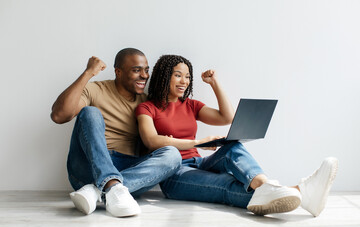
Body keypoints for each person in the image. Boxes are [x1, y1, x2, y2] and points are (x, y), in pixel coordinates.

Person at [135, 54, 338, 216]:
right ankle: (301, 192)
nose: (184, 81)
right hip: (175, 175)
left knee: (232, 147)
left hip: (198, 162)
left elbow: (227, 117)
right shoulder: (147, 107)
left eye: (188, 76)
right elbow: (151, 141)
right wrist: (196, 142)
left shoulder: (190, 105)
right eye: (178, 75)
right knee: (226, 184)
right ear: (164, 76)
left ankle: (267, 186)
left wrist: (214, 82)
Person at [50, 48, 182, 217]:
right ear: (118, 72)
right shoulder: (96, 89)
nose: (144, 75)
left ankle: (96, 190)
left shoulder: (147, 103)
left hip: (125, 169)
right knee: (90, 112)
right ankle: (111, 185)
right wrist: (88, 72)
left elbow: (151, 143)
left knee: (173, 155)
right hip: (89, 167)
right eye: (136, 70)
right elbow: (59, 115)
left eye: (146, 70)